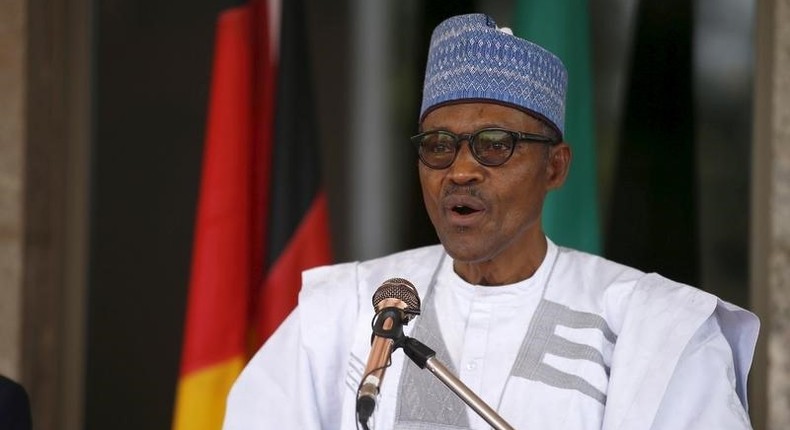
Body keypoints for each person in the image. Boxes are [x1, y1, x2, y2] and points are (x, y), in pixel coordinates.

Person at [223, 13, 759, 430]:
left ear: (555, 166)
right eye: (438, 145)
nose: (460, 171)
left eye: (494, 146)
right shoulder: (346, 308)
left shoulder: (652, 326)